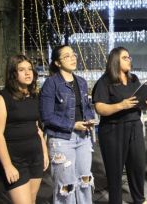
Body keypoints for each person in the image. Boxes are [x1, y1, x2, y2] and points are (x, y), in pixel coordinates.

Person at [92, 46, 147, 204]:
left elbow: (138, 103)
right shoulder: (105, 81)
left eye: (129, 57)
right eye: (125, 57)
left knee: (138, 167)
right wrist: (121, 105)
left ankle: (139, 199)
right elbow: (99, 108)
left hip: (134, 127)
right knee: (115, 172)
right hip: (113, 130)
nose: (129, 60)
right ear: (115, 60)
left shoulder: (134, 79)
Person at [40, 45, 95, 204]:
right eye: (67, 56)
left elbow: (86, 108)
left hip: (83, 139)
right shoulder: (51, 84)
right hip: (61, 140)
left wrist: (89, 119)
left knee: (85, 181)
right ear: (57, 63)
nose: (72, 58)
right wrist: (73, 125)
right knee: (66, 186)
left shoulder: (81, 82)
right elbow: (47, 117)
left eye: (73, 55)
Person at [0, 55, 48, 204]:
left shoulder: (33, 96)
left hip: (35, 158)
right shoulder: (2, 98)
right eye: (22, 70)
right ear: (13, 73)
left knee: (31, 201)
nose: (28, 73)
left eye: (30, 69)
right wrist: (8, 166)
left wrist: (44, 152)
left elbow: (37, 128)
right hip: (15, 161)